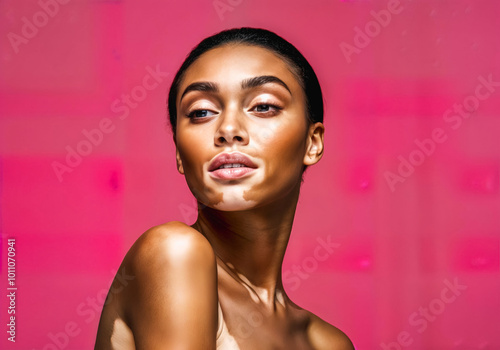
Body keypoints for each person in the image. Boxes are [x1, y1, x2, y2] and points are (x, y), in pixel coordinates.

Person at [95, 27, 354, 349]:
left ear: (312, 143)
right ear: (178, 152)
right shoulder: (174, 251)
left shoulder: (327, 343)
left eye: (263, 106)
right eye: (201, 112)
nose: (228, 129)